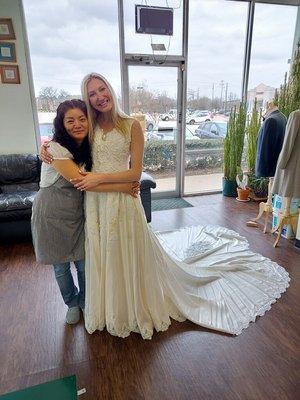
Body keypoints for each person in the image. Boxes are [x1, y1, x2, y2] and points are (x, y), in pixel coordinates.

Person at [62, 73, 289, 339]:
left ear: (110, 89)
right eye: (92, 93)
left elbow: (135, 174)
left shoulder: (131, 125)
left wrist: (100, 178)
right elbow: (68, 147)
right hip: (95, 201)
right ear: (87, 98)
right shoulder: (88, 125)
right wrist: (48, 151)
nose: (99, 97)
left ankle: (131, 307)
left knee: (125, 250)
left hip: (121, 202)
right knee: (104, 253)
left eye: (102, 89)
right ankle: (107, 308)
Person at [33, 99, 139, 325]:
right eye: (70, 120)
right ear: (61, 124)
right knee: (60, 266)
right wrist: (124, 186)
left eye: (82, 119)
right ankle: (71, 303)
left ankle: (85, 300)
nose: (77, 124)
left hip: (79, 212)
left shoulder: (85, 145)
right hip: (51, 213)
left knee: (84, 262)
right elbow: (82, 181)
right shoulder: (54, 148)